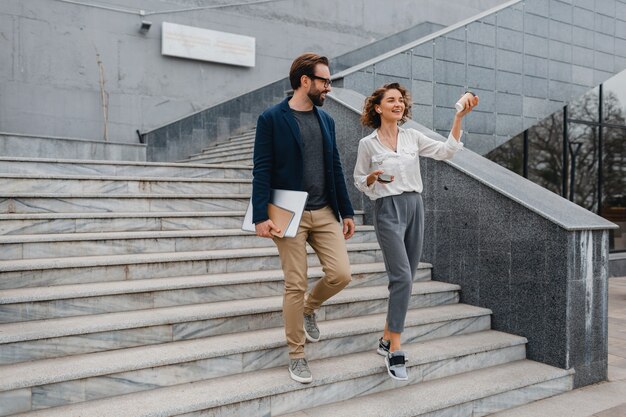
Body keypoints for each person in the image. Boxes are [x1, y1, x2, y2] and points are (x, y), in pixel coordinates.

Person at [353, 83, 478, 381]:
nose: (398, 104)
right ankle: (395, 348)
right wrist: (370, 177)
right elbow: (358, 180)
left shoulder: (412, 137)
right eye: (391, 100)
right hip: (387, 209)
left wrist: (459, 118)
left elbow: (447, 151)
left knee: (405, 280)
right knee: (402, 277)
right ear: (378, 107)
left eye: (401, 101)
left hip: (414, 207)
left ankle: (385, 338)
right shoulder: (367, 144)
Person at [252, 52, 356, 384]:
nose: (329, 87)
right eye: (324, 81)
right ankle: (297, 354)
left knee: (341, 274)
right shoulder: (271, 118)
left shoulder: (327, 120)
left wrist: (347, 211)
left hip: (325, 210)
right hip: (287, 213)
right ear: (305, 81)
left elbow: (335, 166)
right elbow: (262, 169)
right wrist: (259, 216)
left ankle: (309, 308)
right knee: (294, 283)